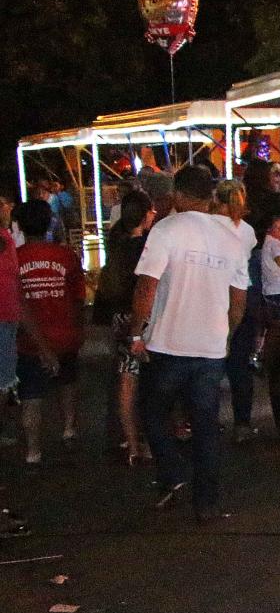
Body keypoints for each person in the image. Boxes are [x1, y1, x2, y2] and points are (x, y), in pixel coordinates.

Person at [131, 166, 250, 522]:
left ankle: (173, 471)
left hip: (169, 342)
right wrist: (227, 334)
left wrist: (136, 332)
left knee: (152, 412)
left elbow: (146, 287)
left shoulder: (166, 230)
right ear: (211, 195)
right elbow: (239, 298)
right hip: (210, 346)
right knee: (205, 424)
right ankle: (207, 502)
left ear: (179, 194)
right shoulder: (232, 237)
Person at [14, 199, 85, 466]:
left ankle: (33, 450)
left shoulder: (15, 258)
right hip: (65, 333)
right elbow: (78, 297)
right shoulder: (65, 256)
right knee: (67, 382)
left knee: (31, 395)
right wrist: (80, 328)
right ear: (49, 223)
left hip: (30, 339)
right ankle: (68, 428)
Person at [96, 189, 156, 465]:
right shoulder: (145, 247)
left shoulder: (117, 244)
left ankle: (131, 443)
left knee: (126, 378)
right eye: (151, 210)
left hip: (119, 316)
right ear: (144, 216)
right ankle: (147, 440)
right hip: (141, 318)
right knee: (150, 380)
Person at [212, 180, 261, 444]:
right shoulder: (248, 231)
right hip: (243, 293)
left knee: (209, 364)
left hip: (214, 294)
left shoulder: (208, 228)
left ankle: (207, 419)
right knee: (240, 365)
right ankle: (242, 422)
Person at [0, 190, 20, 450]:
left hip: (9, 315)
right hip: (3, 315)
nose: (9, 208)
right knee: (3, 379)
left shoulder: (7, 237)